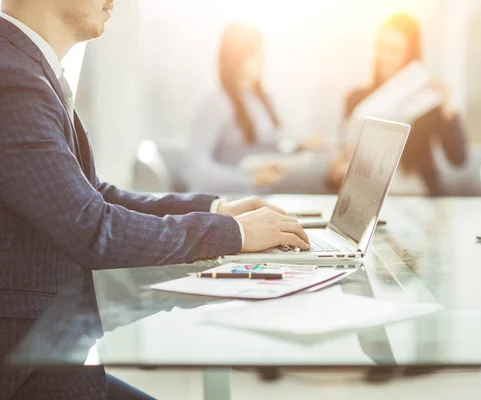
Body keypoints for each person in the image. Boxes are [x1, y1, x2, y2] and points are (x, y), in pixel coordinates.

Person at [0, 1, 309, 398]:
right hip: (28, 369)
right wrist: (231, 233)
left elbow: (95, 196)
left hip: (53, 347)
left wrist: (216, 210)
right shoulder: (13, 81)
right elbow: (95, 230)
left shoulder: (28, 71)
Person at [330, 14, 468, 196]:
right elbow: (335, 171)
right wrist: (340, 172)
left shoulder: (425, 100)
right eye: (381, 47)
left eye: (394, 50)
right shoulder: (356, 99)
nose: (384, 56)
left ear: (410, 54)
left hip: (419, 197)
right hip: (368, 200)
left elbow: (458, 159)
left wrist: (448, 108)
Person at [188, 22, 331, 194]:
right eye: (254, 53)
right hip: (229, 199)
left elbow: (266, 148)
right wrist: (247, 179)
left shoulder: (263, 100)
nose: (262, 58)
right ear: (236, 57)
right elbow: (197, 168)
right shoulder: (216, 102)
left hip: (263, 196)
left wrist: (299, 146)